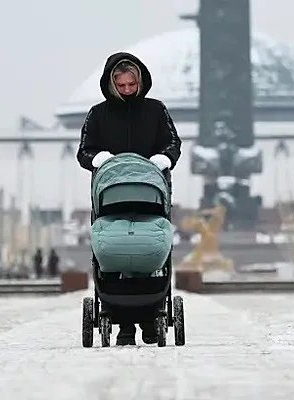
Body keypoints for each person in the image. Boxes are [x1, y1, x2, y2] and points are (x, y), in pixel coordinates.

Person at [76, 52, 182, 346]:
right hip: (111, 198)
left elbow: (173, 142)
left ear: (140, 81)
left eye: (131, 85)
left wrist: (165, 158)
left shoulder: (156, 110)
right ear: (111, 84)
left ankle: (151, 318)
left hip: (151, 195)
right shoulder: (98, 114)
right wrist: (99, 158)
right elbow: (83, 151)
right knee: (114, 255)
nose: (126, 91)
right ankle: (122, 324)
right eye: (121, 86)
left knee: (149, 253)